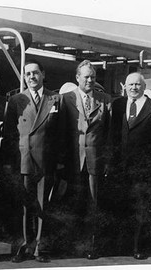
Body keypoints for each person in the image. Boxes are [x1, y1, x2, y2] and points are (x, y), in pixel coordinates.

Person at [2, 59, 61, 263]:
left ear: (43, 74)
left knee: (43, 205)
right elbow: (8, 133)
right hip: (24, 160)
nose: (32, 77)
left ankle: (40, 248)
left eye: (35, 73)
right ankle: (25, 246)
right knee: (26, 205)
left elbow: (62, 134)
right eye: (27, 74)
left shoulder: (55, 99)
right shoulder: (16, 100)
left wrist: (59, 160)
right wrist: (9, 161)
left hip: (46, 160)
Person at [108, 72, 151, 260]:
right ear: (124, 87)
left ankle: (138, 247)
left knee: (141, 210)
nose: (134, 88)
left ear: (144, 87)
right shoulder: (118, 105)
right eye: (130, 85)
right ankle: (121, 245)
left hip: (144, 169)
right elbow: (112, 136)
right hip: (121, 168)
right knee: (121, 207)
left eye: (137, 85)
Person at [59, 60, 111, 259]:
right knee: (72, 204)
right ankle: (70, 245)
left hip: (94, 161)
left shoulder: (105, 100)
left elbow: (108, 134)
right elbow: (60, 132)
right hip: (72, 161)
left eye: (93, 77)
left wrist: (106, 160)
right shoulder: (65, 99)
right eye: (86, 76)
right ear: (77, 78)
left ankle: (90, 246)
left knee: (93, 204)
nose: (90, 80)